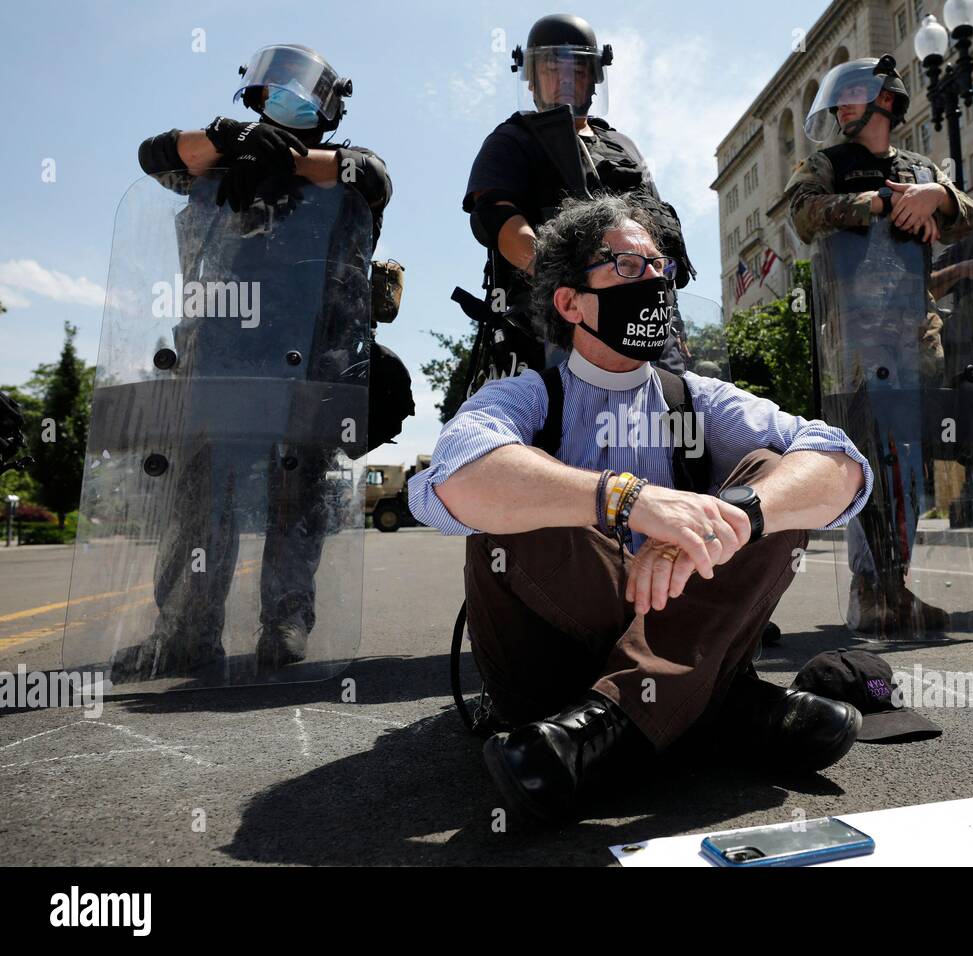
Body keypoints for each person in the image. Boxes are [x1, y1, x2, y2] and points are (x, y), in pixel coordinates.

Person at [407, 194, 872, 824]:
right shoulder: (522, 398)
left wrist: (733, 517)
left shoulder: (696, 398)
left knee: (769, 480)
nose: (653, 281)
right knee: (518, 496)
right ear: (569, 302)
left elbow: (840, 464)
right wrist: (627, 500)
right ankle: (715, 712)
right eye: (627, 266)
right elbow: (456, 480)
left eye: (660, 268)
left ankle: (603, 732)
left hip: (665, 627)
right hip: (547, 670)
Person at [117, 44, 393, 679]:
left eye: (304, 93)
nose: (287, 101)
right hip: (218, 356)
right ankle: (187, 629)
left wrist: (285, 159)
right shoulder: (218, 157)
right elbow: (153, 156)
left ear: (329, 106)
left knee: (298, 496)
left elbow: (368, 177)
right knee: (201, 498)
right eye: (275, 91)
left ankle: (286, 619)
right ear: (254, 96)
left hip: (307, 357)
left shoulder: (349, 164)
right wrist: (228, 137)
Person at [785, 55, 973, 635]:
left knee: (909, 473)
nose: (842, 107)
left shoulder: (921, 169)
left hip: (914, 341)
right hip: (855, 343)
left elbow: (970, 217)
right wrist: (872, 204)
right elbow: (801, 213)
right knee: (867, 467)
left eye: (852, 96)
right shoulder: (825, 163)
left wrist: (936, 198)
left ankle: (896, 586)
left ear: (885, 101)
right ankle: (871, 590)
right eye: (839, 98)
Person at [460, 13, 694, 387]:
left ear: (594, 78)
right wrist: (570, 287)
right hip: (557, 318)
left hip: (645, 321)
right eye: (553, 68)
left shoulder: (624, 147)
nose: (566, 78)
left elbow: (657, 241)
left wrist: (671, 321)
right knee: (558, 429)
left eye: (579, 68)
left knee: (667, 421)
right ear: (533, 79)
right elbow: (497, 219)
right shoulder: (512, 139)